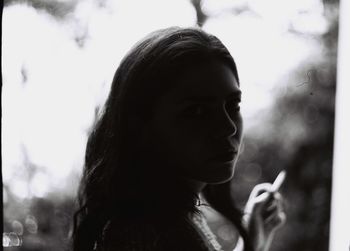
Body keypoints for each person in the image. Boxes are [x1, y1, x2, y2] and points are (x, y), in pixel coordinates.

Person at [72, 27, 286, 251]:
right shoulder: (150, 233)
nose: (228, 127)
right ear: (141, 125)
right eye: (197, 111)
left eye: (233, 105)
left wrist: (252, 242)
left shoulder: (161, 218)